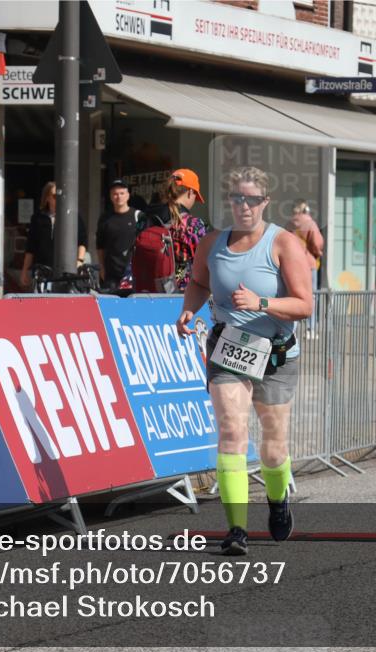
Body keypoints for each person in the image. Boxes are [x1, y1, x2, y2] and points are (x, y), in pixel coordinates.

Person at [176, 167, 314, 556]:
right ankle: (236, 529)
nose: (244, 206)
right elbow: (199, 283)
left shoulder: (283, 244)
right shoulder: (212, 243)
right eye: (238, 198)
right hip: (229, 349)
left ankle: (277, 499)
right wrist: (189, 310)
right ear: (230, 202)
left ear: (265, 202)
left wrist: (262, 303)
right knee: (232, 432)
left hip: (276, 353)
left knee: (272, 445)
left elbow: (305, 304)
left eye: (252, 199)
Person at [145, 169, 208, 291]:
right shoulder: (192, 224)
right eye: (195, 195)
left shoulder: (145, 217)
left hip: (147, 290)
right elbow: (205, 265)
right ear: (190, 192)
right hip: (180, 294)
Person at [20, 182, 87, 289]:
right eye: (55, 196)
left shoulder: (73, 216)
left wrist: (79, 261)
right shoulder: (37, 218)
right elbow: (31, 247)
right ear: (47, 198)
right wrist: (24, 270)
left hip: (67, 272)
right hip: (42, 270)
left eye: (61, 196)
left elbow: (82, 241)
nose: (59, 199)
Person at [96, 179, 140, 289]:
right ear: (111, 197)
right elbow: (100, 245)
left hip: (133, 273)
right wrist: (102, 267)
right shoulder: (105, 219)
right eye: (115, 194)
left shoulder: (138, 216)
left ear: (128, 195)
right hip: (111, 274)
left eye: (122, 193)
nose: (119, 197)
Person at [288, 200, 324, 332]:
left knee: (294, 294)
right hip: (308, 263)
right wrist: (318, 252)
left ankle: (294, 328)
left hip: (292, 263)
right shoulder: (310, 223)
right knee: (311, 295)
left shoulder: (289, 224)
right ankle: (311, 328)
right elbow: (317, 243)